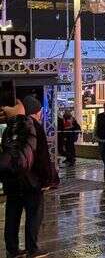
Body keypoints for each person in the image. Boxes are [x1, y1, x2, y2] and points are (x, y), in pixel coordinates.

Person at [1, 96, 52, 258]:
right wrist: (46, 179)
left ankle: (13, 248)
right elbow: (43, 157)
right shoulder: (35, 127)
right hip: (32, 181)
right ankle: (32, 249)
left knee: (12, 215)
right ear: (36, 112)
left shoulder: (11, 127)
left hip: (13, 180)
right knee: (33, 215)